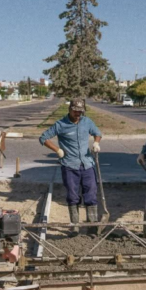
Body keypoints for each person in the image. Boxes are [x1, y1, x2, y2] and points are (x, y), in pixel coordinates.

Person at [39, 99, 102, 235]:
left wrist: (96, 143)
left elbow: (98, 133)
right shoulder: (61, 124)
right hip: (69, 165)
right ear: (70, 110)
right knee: (73, 196)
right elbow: (43, 138)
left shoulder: (87, 122)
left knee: (91, 194)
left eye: (80, 112)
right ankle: (75, 228)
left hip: (87, 164)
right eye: (75, 111)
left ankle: (92, 228)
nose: (78, 114)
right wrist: (57, 150)